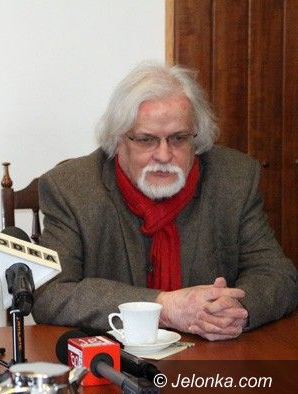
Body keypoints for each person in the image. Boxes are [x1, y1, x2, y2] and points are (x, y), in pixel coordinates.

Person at [32, 62, 297, 341]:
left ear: (196, 138)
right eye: (146, 140)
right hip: (112, 357)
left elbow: (277, 274)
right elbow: (51, 294)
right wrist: (163, 307)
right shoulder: (72, 189)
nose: (163, 155)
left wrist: (234, 309)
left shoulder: (234, 179)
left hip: (210, 353)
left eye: (178, 138)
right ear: (118, 140)